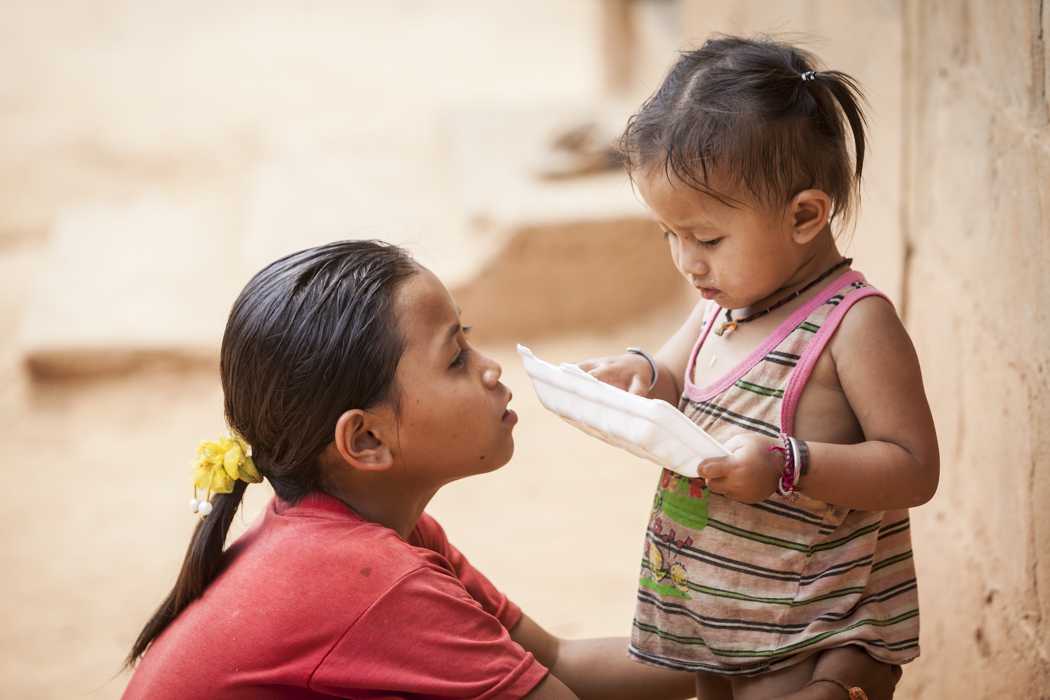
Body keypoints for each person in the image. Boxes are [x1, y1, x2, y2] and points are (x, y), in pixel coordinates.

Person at [122, 240, 902, 699]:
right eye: (456, 359)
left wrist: (784, 646)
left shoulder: (369, 535)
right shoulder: (373, 585)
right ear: (364, 443)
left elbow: (554, 660)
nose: (493, 370)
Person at [576, 37, 939, 700]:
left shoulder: (853, 326)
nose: (687, 262)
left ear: (805, 215)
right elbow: (668, 373)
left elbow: (914, 467)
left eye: (707, 238)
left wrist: (787, 465)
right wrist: (632, 375)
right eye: (670, 235)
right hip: (721, 615)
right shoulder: (722, 307)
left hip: (810, 625)